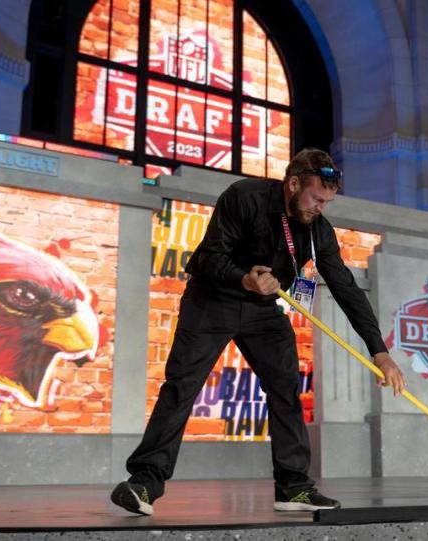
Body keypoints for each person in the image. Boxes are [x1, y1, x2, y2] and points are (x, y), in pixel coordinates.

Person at [111, 148, 406, 515]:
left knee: (285, 388)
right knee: (181, 385)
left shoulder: (318, 231)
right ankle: (144, 482)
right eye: (316, 198)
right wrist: (244, 278)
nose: (321, 208)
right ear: (294, 183)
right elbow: (209, 257)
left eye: (328, 201)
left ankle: (293, 487)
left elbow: (346, 289)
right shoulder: (244, 197)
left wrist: (379, 351)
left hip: (262, 310)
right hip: (212, 298)